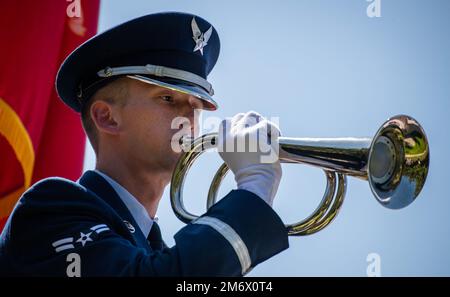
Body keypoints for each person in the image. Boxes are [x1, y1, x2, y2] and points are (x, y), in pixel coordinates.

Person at [0, 12, 288, 276]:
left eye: (196, 105)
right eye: (168, 99)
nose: (189, 116)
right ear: (106, 117)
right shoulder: (50, 209)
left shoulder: (154, 249)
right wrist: (254, 189)